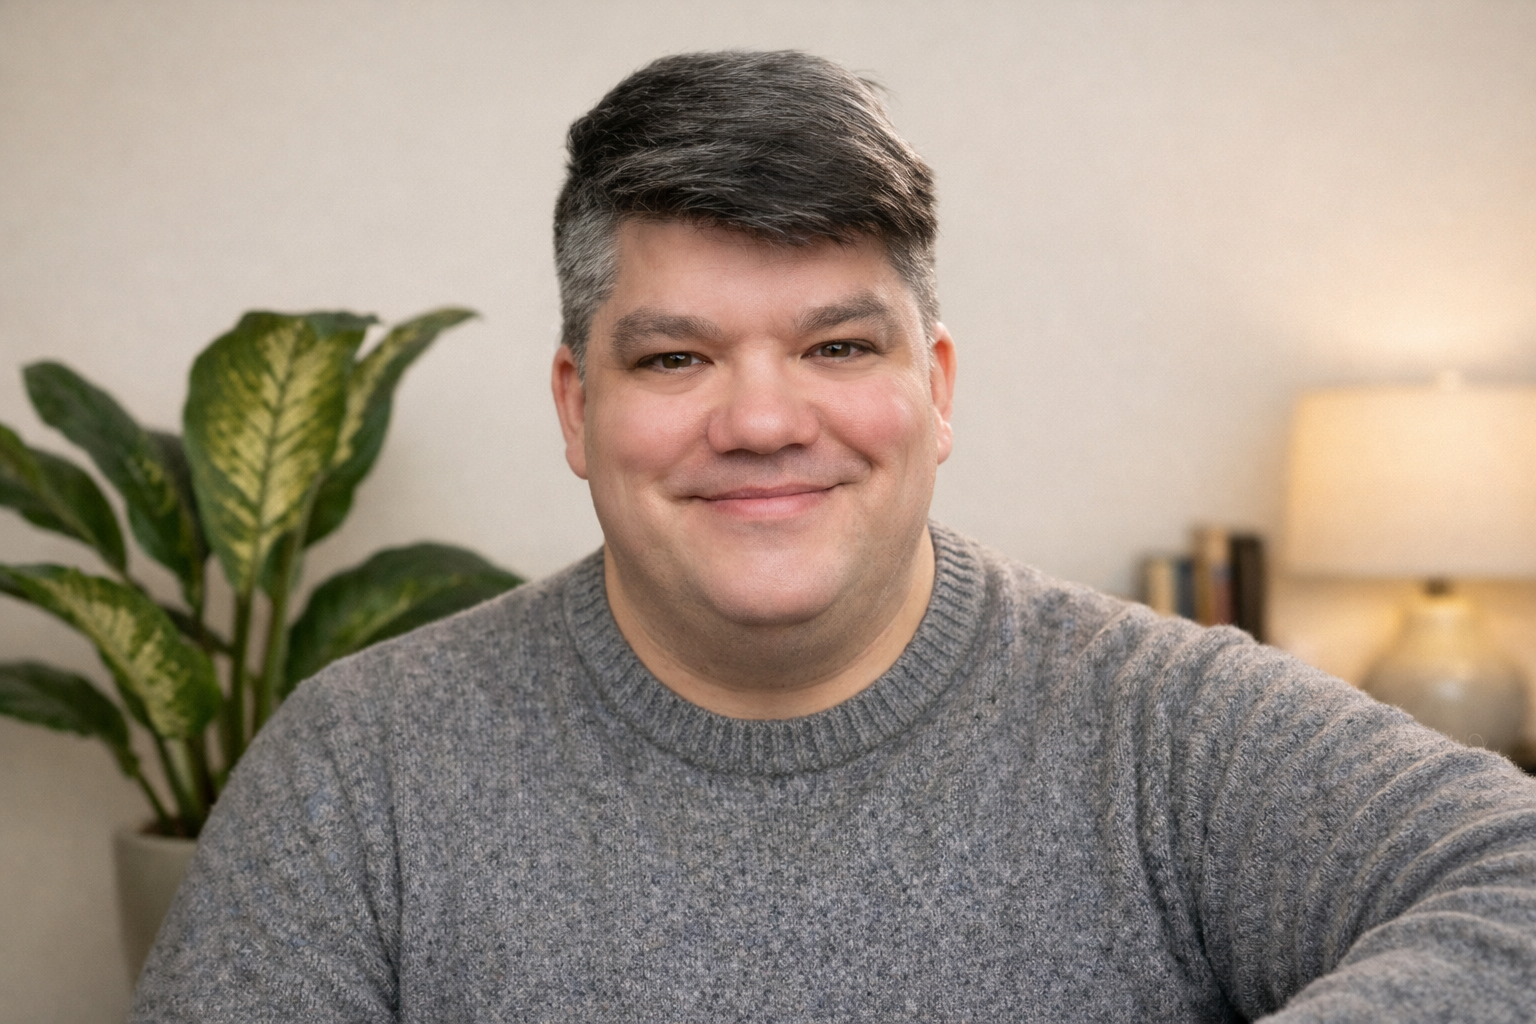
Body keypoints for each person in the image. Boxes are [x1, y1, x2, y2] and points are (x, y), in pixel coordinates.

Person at [131, 50, 1536, 1022]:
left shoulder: (1165, 727)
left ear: (933, 388)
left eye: (837, 345)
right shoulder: (357, 770)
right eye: (676, 359)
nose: (760, 421)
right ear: (578, 406)